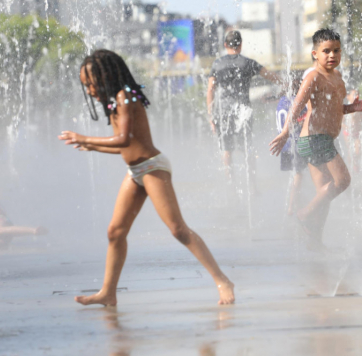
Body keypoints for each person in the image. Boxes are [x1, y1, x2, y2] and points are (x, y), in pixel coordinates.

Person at [59, 49, 234, 306]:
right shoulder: (113, 102)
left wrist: (84, 137)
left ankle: (223, 281)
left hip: (152, 168)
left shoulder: (125, 97)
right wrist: (93, 147)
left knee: (178, 230)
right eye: (85, 86)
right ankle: (108, 293)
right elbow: (123, 147)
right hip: (136, 172)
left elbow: (124, 139)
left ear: (104, 76)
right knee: (115, 232)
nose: (89, 91)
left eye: (91, 84)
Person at [270, 28, 362, 248]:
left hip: (322, 139)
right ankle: (303, 214)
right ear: (315, 53)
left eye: (336, 50)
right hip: (314, 139)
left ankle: (314, 241)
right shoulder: (313, 76)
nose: (332, 55)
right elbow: (297, 105)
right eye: (326, 51)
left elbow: (333, 109)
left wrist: (352, 107)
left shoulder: (336, 76)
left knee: (323, 195)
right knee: (343, 181)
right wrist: (285, 132)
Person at [206, 30, 282, 191]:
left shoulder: (217, 64)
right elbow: (270, 76)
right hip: (243, 111)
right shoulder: (248, 63)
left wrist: (211, 115)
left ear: (225, 45)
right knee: (247, 147)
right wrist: (286, 82)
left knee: (227, 149)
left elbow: (210, 90)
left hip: (223, 112)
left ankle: (231, 184)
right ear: (240, 45)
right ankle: (253, 185)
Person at [276, 73, 308, 215]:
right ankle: (291, 206)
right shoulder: (297, 102)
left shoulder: (282, 101)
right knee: (299, 175)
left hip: (284, 145)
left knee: (296, 175)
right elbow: (300, 120)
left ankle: (297, 201)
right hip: (295, 144)